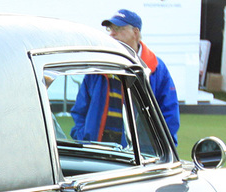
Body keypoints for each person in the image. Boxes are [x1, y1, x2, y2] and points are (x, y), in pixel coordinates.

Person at [70, 8, 180, 146]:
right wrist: (84, 137)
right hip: (97, 153)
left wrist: (155, 149)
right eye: (110, 29)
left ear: (136, 32)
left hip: (139, 158)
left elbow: (170, 115)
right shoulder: (98, 66)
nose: (112, 33)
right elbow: (80, 110)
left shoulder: (156, 68)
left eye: (118, 28)